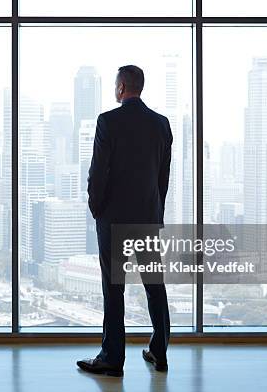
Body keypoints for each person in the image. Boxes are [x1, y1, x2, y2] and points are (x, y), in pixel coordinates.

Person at [76, 65, 173, 377]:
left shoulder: (108, 121)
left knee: (113, 288)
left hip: (114, 218)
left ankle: (112, 358)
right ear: (139, 88)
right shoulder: (161, 124)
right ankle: (159, 352)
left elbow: (97, 171)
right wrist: (155, 211)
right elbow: (163, 177)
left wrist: (96, 207)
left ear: (120, 89)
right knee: (154, 285)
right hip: (147, 216)